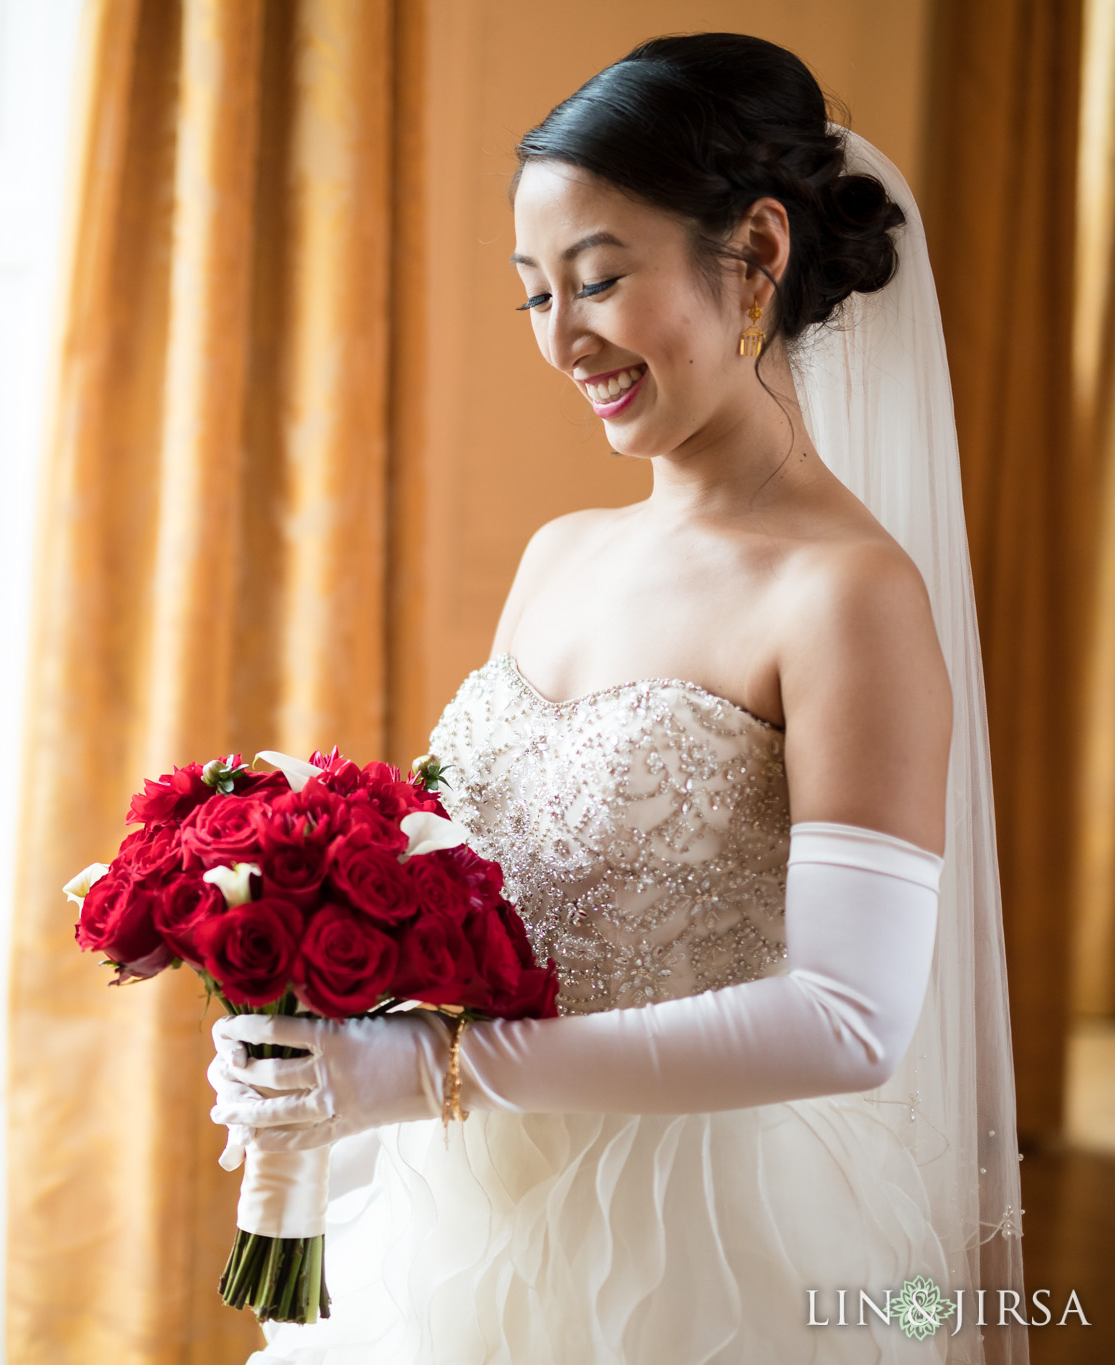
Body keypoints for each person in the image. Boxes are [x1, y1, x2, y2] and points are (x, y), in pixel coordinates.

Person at [207, 34, 1025, 1364]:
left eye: (597, 279)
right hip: (465, 1210)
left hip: (701, 1245)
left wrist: (427, 1072)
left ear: (757, 254)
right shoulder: (558, 556)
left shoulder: (847, 594)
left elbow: (850, 1019)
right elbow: (465, 887)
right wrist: (309, 1022)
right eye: (533, 294)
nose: (563, 337)